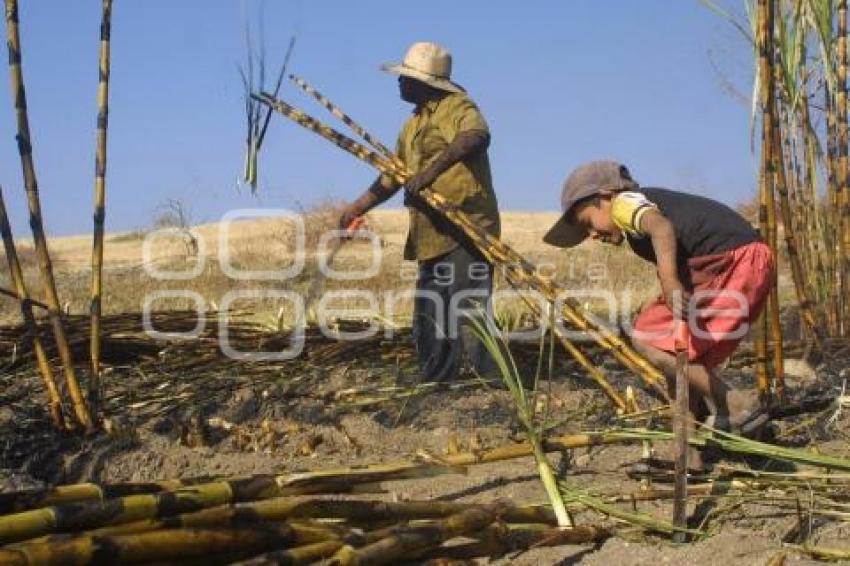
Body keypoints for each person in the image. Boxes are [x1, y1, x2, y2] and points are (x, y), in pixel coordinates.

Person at [543, 160, 774, 466]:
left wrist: (670, 283)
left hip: (728, 260)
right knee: (680, 357)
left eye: (588, 223)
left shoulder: (624, 204)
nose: (592, 235)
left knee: (646, 336)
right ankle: (687, 453)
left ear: (605, 197)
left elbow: (661, 228)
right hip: (745, 261)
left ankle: (736, 405)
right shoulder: (637, 217)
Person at [338, 42, 500, 382]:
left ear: (425, 82)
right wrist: (357, 206)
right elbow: (393, 176)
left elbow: (475, 136)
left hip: (465, 227)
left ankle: (498, 380)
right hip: (431, 233)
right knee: (430, 311)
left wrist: (430, 173)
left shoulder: (456, 106)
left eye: (405, 78)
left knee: (468, 307)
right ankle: (436, 380)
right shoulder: (410, 127)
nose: (399, 83)